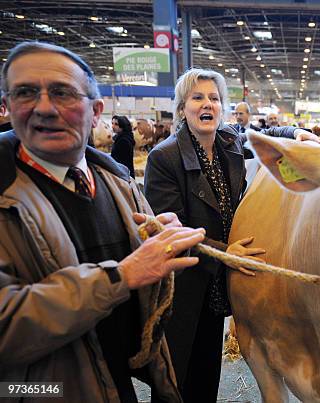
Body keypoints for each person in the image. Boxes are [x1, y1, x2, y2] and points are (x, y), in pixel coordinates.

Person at [0, 41, 206, 402]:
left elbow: (141, 278)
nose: (44, 108)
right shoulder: (5, 194)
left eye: (62, 93)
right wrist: (121, 276)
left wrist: (153, 238)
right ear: (8, 107)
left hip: (114, 382)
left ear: (95, 111)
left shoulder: (118, 182)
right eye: (25, 93)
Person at [144, 68, 320, 402]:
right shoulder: (164, 158)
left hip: (217, 284)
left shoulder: (227, 142)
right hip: (183, 288)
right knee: (174, 378)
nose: (206, 103)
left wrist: (297, 132)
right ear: (183, 108)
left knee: (206, 373)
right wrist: (227, 253)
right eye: (197, 97)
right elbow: (170, 231)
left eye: (214, 98)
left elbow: (264, 133)